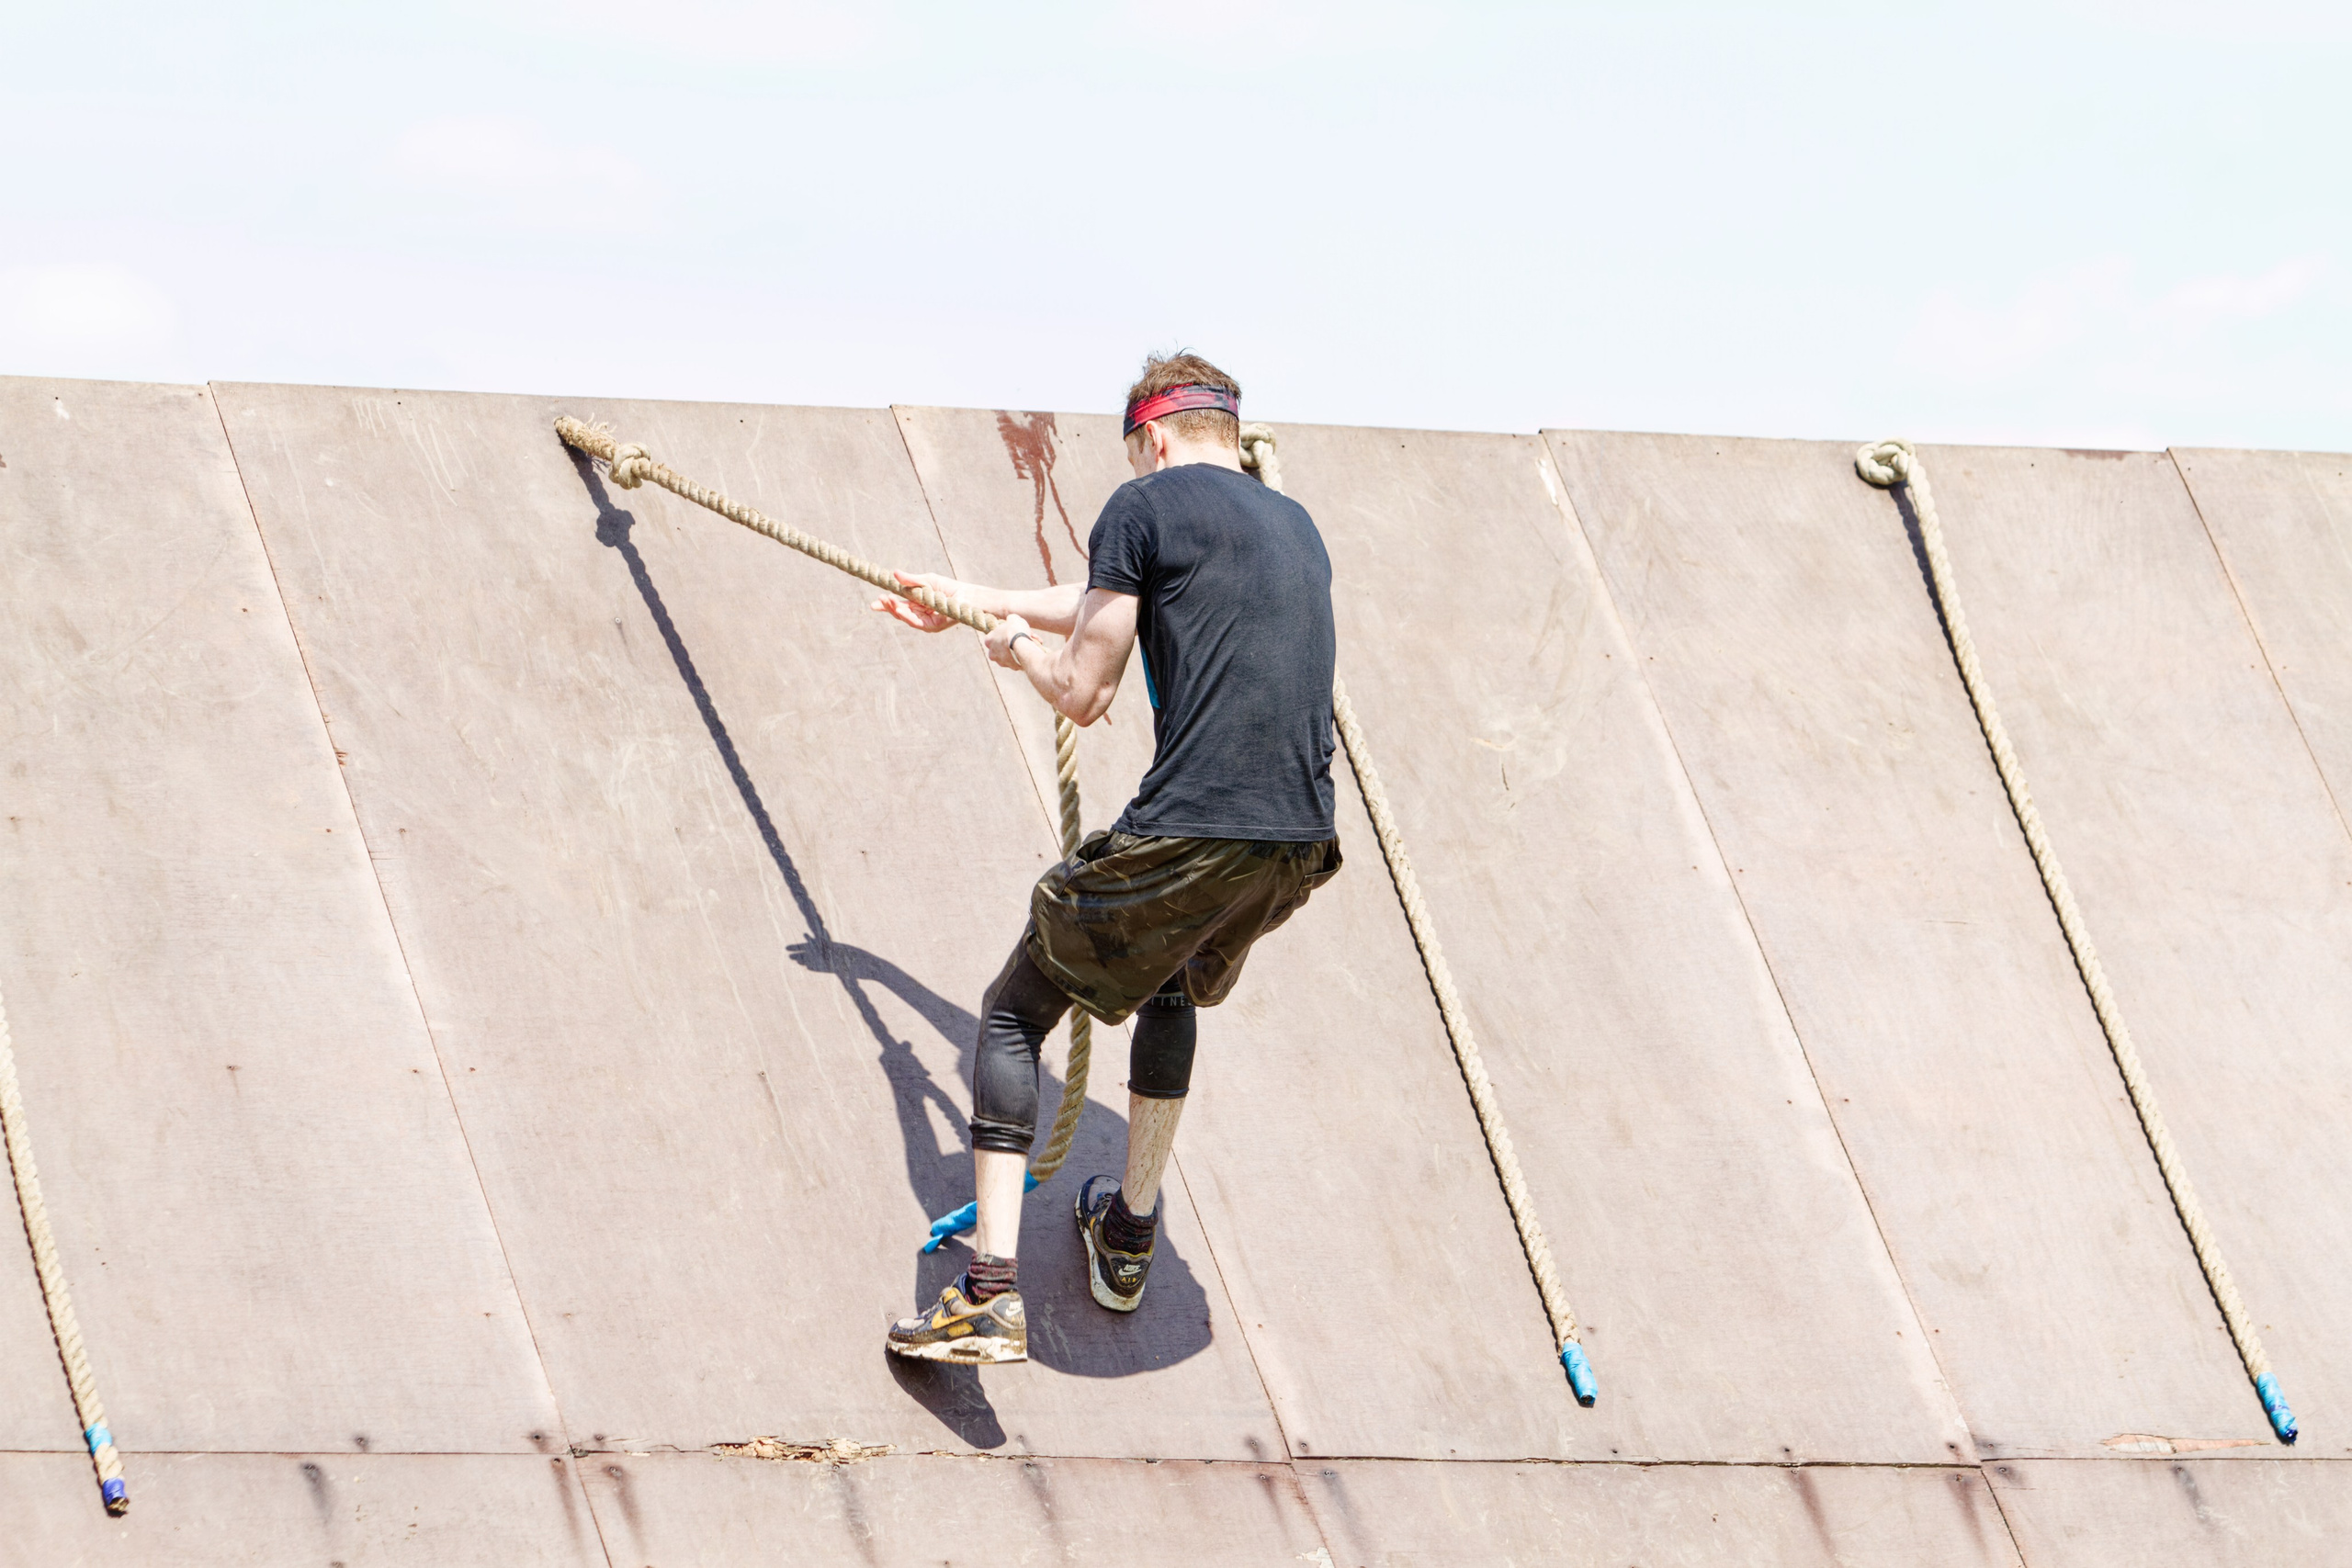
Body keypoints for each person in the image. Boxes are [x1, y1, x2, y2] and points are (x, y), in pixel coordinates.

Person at [876, 352, 1342, 1364]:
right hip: (1296, 844)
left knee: (1011, 1013)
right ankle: (1128, 1234)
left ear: (1151, 439)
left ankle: (988, 1296)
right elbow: (1116, 595)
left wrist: (1013, 651)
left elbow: (1085, 686)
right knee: (1167, 984)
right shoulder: (1292, 523)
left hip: (1196, 827)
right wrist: (968, 595)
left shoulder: (1143, 503)